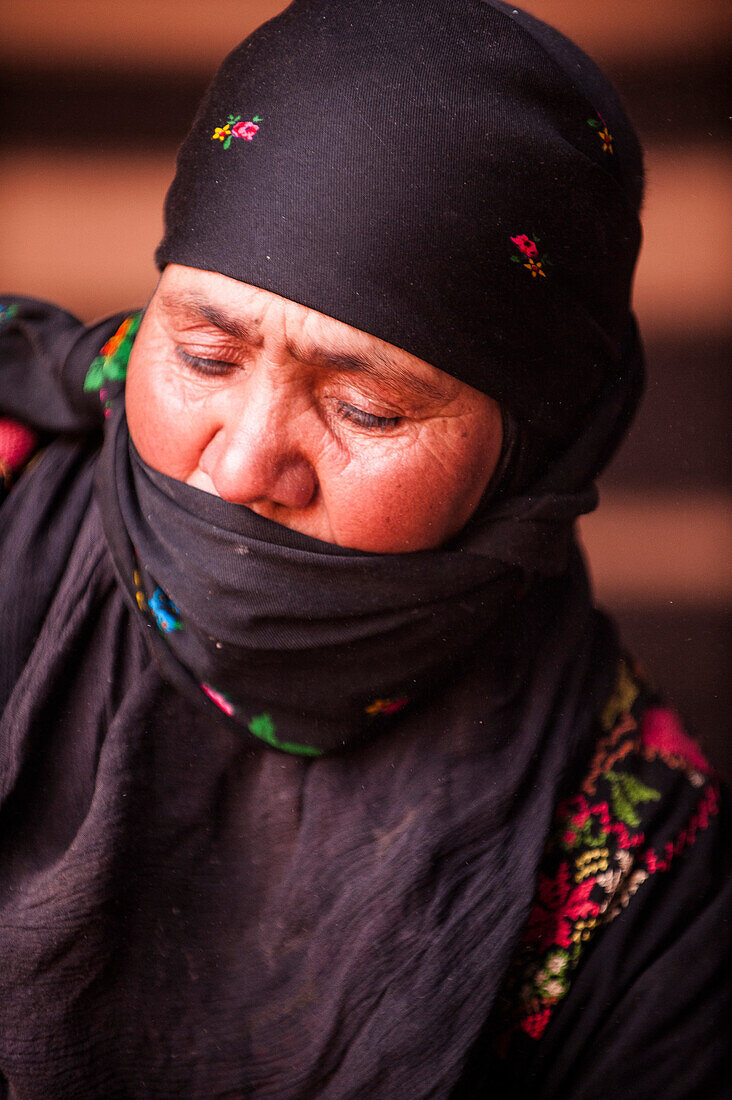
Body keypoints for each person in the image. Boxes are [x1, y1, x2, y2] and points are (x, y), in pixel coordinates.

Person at [0, 1, 728, 1096]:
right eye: (202, 353)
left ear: (531, 453)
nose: (244, 465)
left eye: (370, 411)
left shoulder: (643, 875)